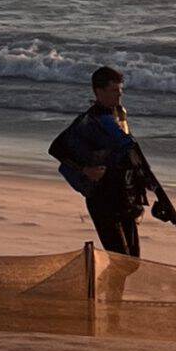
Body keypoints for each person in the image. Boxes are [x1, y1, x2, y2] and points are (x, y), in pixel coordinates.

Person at [49, 66, 144, 255]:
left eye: (120, 91)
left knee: (132, 261)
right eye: (114, 91)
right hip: (101, 199)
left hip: (123, 197)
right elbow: (56, 148)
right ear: (99, 92)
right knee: (119, 258)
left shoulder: (118, 116)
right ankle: (103, 284)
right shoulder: (88, 122)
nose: (119, 96)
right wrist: (84, 169)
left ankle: (110, 284)